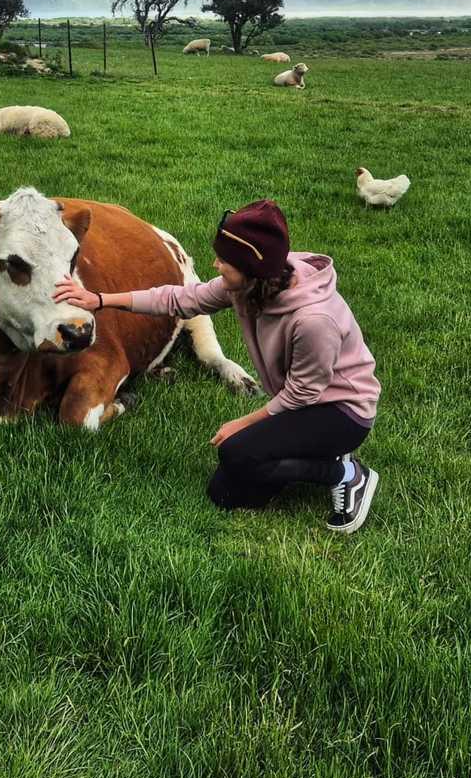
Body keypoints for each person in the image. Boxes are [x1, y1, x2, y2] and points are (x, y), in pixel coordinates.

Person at [53, 199, 380, 532]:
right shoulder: (251, 284)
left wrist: (243, 423)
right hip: (303, 403)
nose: (215, 264)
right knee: (224, 494)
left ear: (251, 270)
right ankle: (306, 457)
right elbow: (179, 299)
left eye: (224, 261)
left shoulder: (313, 321)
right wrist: (102, 300)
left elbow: (304, 392)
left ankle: (347, 474)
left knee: (237, 453)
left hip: (340, 411)